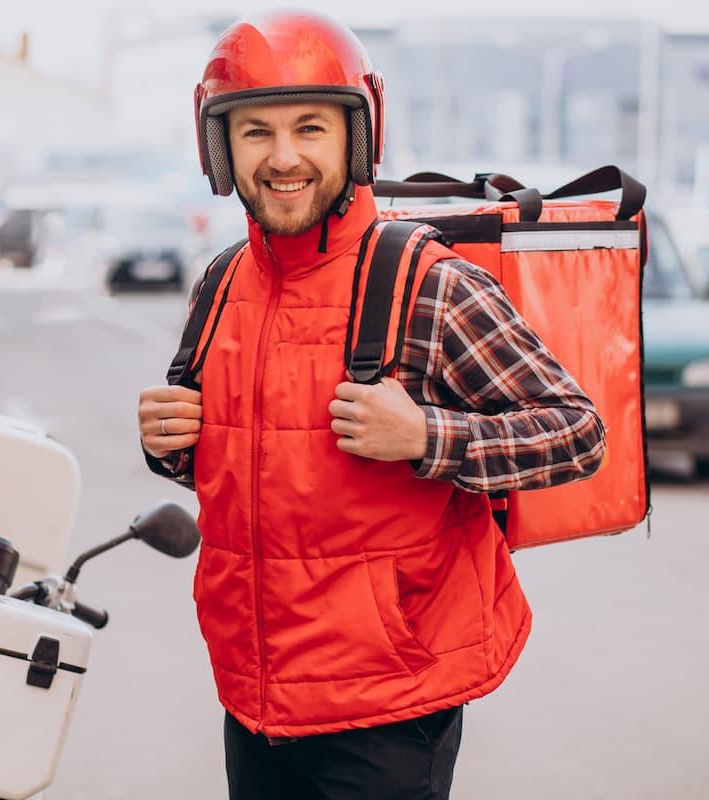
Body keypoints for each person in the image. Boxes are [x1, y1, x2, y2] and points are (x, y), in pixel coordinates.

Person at [137, 11, 606, 799]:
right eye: (255, 132)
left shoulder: (431, 284)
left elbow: (577, 433)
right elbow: (258, 476)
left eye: (310, 128)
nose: (283, 157)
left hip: (389, 705)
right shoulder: (220, 284)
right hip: (255, 698)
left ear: (358, 135)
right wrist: (172, 445)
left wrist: (426, 435)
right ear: (219, 147)